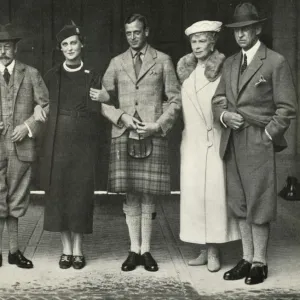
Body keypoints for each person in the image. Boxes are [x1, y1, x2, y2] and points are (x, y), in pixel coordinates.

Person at [212, 3, 297, 285]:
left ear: (257, 29)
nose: (240, 35)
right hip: (232, 140)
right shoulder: (230, 63)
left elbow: (287, 108)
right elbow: (218, 99)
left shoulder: (274, 61)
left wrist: (267, 136)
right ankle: (246, 258)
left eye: (246, 29)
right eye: (236, 30)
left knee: (259, 201)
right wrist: (224, 116)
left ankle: (260, 261)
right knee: (238, 202)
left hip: (257, 140)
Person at [101, 13, 181, 272]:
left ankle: (146, 250)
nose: (133, 37)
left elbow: (175, 100)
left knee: (148, 195)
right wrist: (121, 116)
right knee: (130, 193)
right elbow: (103, 99)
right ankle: (133, 249)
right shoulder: (116, 62)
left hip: (152, 133)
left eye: (137, 32)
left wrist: (158, 125)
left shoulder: (164, 61)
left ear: (146, 31)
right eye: (128, 33)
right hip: (124, 134)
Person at [36, 22, 109, 270]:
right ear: (60, 48)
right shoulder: (52, 75)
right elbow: (41, 103)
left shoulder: (93, 75)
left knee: (80, 196)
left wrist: (106, 98)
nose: (69, 48)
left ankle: (78, 250)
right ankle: (65, 250)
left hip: (84, 145)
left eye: (73, 43)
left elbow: (102, 108)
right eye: (65, 44)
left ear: (81, 45)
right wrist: (38, 108)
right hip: (57, 144)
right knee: (58, 196)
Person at [177, 21, 240, 272]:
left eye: (202, 41)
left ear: (213, 42)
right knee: (195, 197)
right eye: (194, 41)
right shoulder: (187, 73)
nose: (197, 46)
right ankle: (203, 248)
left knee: (214, 197)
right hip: (191, 142)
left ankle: (214, 250)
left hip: (215, 140)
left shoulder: (223, 70)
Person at [0, 24, 49, 268]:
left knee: (15, 199)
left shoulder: (30, 74)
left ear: (16, 48)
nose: (2, 51)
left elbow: (46, 107)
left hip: (21, 147)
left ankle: (13, 251)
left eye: (7, 46)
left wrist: (28, 127)